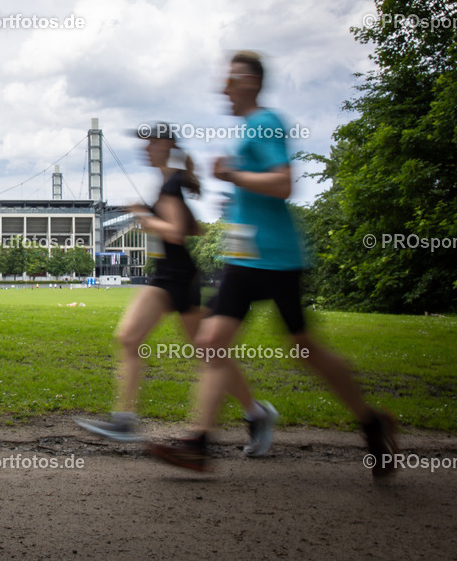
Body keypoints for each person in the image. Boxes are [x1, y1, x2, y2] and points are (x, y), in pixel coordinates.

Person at [148, 51, 398, 478]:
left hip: (273, 256)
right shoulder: (249, 128)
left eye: (230, 80)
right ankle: (199, 443)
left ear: (250, 82)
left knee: (304, 350)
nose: (223, 88)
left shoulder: (266, 122)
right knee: (213, 342)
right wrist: (235, 194)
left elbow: (283, 184)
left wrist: (233, 177)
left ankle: (372, 421)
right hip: (245, 257)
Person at [77, 126, 276, 455]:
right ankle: (257, 413)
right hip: (175, 276)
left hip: (174, 278)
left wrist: (145, 216)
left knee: (132, 339)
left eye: (150, 143)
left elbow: (175, 232)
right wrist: (161, 218)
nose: (145, 149)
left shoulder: (170, 184)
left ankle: (125, 421)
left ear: (166, 144)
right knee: (209, 353)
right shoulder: (170, 183)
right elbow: (191, 228)